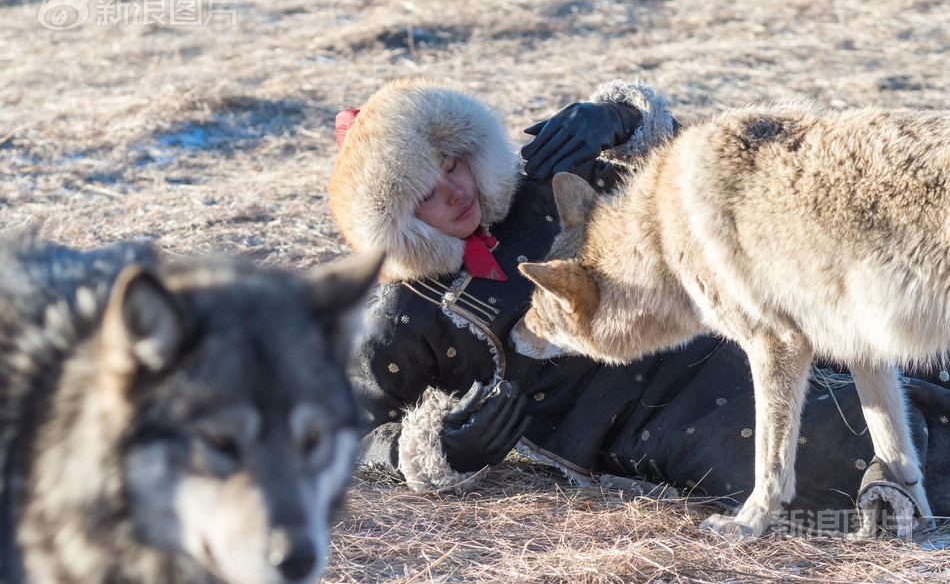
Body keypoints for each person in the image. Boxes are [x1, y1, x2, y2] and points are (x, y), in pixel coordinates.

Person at [328, 76, 950, 536]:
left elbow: (725, 178)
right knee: (838, 456)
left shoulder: (543, 180)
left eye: (451, 164)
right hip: (665, 423)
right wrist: (433, 448)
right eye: (425, 195)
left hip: (741, 326)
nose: (455, 192)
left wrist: (621, 118)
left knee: (914, 342)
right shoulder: (405, 314)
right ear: (398, 222)